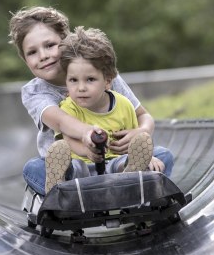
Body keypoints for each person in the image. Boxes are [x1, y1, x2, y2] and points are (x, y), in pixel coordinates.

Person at [8, 6, 174, 195]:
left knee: (163, 156)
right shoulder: (34, 92)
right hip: (72, 165)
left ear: (66, 42)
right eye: (32, 52)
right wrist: (88, 133)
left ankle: (130, 178)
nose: (43, 56)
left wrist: (140, 132)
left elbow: (143, 115)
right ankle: (64, 189)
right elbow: (60, 121)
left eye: (50, 45)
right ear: (25, 59)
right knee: (33, 168)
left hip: (116, 160)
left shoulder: (103, 74)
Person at [44, 26, 174, 192]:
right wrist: (87, 151)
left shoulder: (124, 105)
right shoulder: (68, 107)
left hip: (116, 163)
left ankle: (132, 174)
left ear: (107, 81)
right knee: (72, 166)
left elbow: (134, 140)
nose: (80, 88)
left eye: (90, 79)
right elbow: (68, 143)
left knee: (151, 158)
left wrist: (146, 154)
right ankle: (58, 185)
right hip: (83, 165)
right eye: (73, 80)